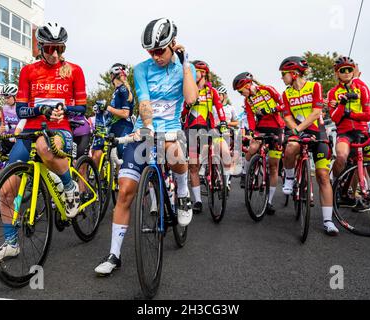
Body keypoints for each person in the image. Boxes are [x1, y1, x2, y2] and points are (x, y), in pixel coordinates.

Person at [94, 17, 198, 275]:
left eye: (160, 50)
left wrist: (185, 66)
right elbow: (144, 100)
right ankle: (114, 255)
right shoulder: (141, 69)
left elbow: (191, 98)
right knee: (126, 189)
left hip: (171, 129)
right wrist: (148, 126)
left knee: (173, 151)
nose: (155, 56)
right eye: (150, 51)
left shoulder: (187, 67)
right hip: (145, 128)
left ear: (173, 44)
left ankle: (183, 194)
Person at [0, 22, 87, 261]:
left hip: (61, 130)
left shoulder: (74, 70)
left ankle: (69, 187)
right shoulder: (28, 71)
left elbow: (82, 107)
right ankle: (11, 242)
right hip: (32, 131)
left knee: (45, 147)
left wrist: (63, 109)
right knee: (4, 191)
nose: (55, 54)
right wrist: (42, 111)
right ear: (40, 46)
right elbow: (23, 109)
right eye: (49, 48)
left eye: (59, 48)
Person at [279, 56, 339, 236]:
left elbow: (316, 113)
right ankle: (290, 178)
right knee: (290, 148)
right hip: (298, 131)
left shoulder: (315, 87)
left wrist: (297, 129)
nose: (282, 78)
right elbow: (286, 116)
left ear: (294, 73)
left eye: (284, 74)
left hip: (317, 131)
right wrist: (295, 130)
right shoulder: (286, 94)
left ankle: (328, 221)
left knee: (322, 175)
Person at [328, 56, 370, 226]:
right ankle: (336, 186)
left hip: (362, 132)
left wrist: (350, 114)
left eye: (349, 69)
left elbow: (368, 115)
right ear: (337, 73)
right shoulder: (333, 92)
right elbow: (335, 118)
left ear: (353, 70)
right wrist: (342, 104)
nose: (347, 72)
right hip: (344, 133)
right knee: (341, 156)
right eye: (343, 70)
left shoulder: (362, 87)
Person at [233, 72, 285, 215]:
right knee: (253, 148)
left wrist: (271, 109)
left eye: (240, 90)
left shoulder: (267, 89)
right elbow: (250, 117)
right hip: (261, 128)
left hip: (276, 127)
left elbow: (283, 105)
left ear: (248, 85)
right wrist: (252, 132)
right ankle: (246, 173)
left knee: (274, 165)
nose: (240, 94)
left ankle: (269, 201)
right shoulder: (248, 101)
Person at [181, 60, 227, 214]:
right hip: (192, 129)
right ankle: (198, 200)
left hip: (208, 128)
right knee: (193, 166)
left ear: (204, 73)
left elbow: (219, 108)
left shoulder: (211, 91)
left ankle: (218, 175)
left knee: (216, 149)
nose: (193, 74)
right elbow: (182, 114)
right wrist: (187, 107)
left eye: (196, 71)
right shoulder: (188, 90)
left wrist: (224, 122)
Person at [92, 63, 135, 168]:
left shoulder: (123, 90)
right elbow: (114, 111)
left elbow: (125, 114)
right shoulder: (116, 91)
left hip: (123, 126)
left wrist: (107, 107)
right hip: (115, 126)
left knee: (121, 158)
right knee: (109, 156)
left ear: (112, 76)